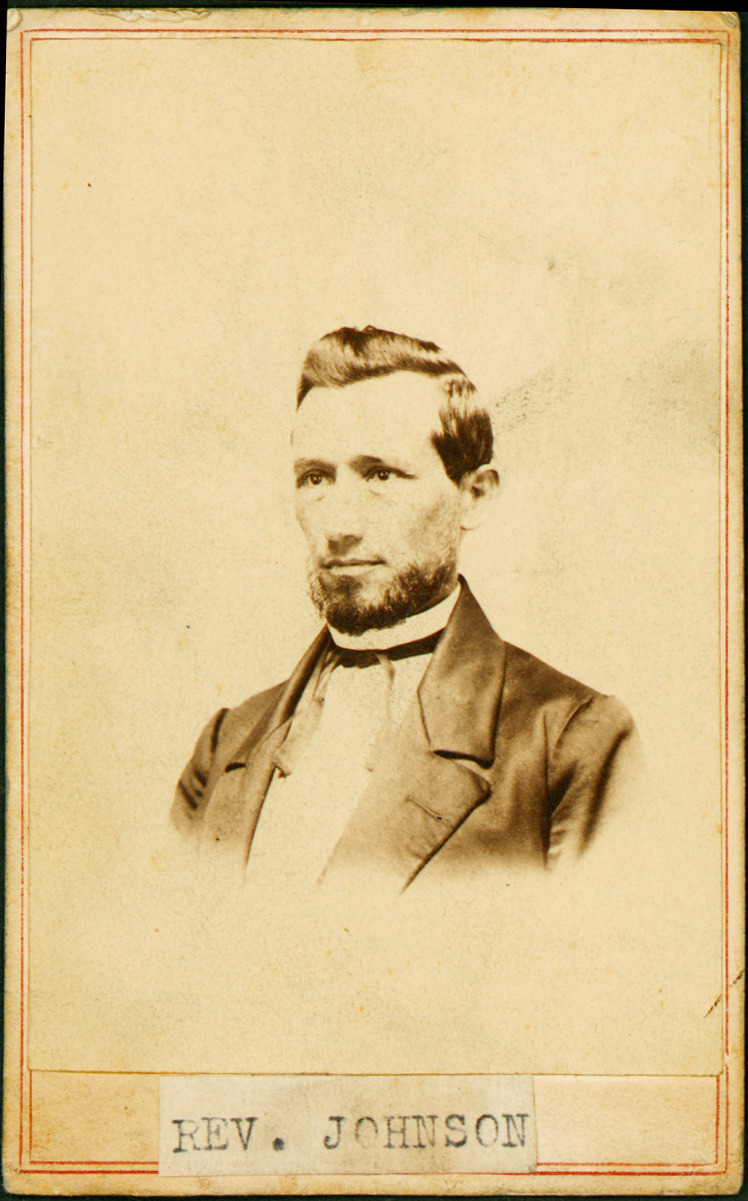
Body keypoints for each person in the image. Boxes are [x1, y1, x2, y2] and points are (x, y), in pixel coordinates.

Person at [172, 325, 638, 896]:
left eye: (380, 475)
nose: (339, 524)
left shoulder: (572, 742)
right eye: (315, 478)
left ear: (475, 496)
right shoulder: (226, 743)